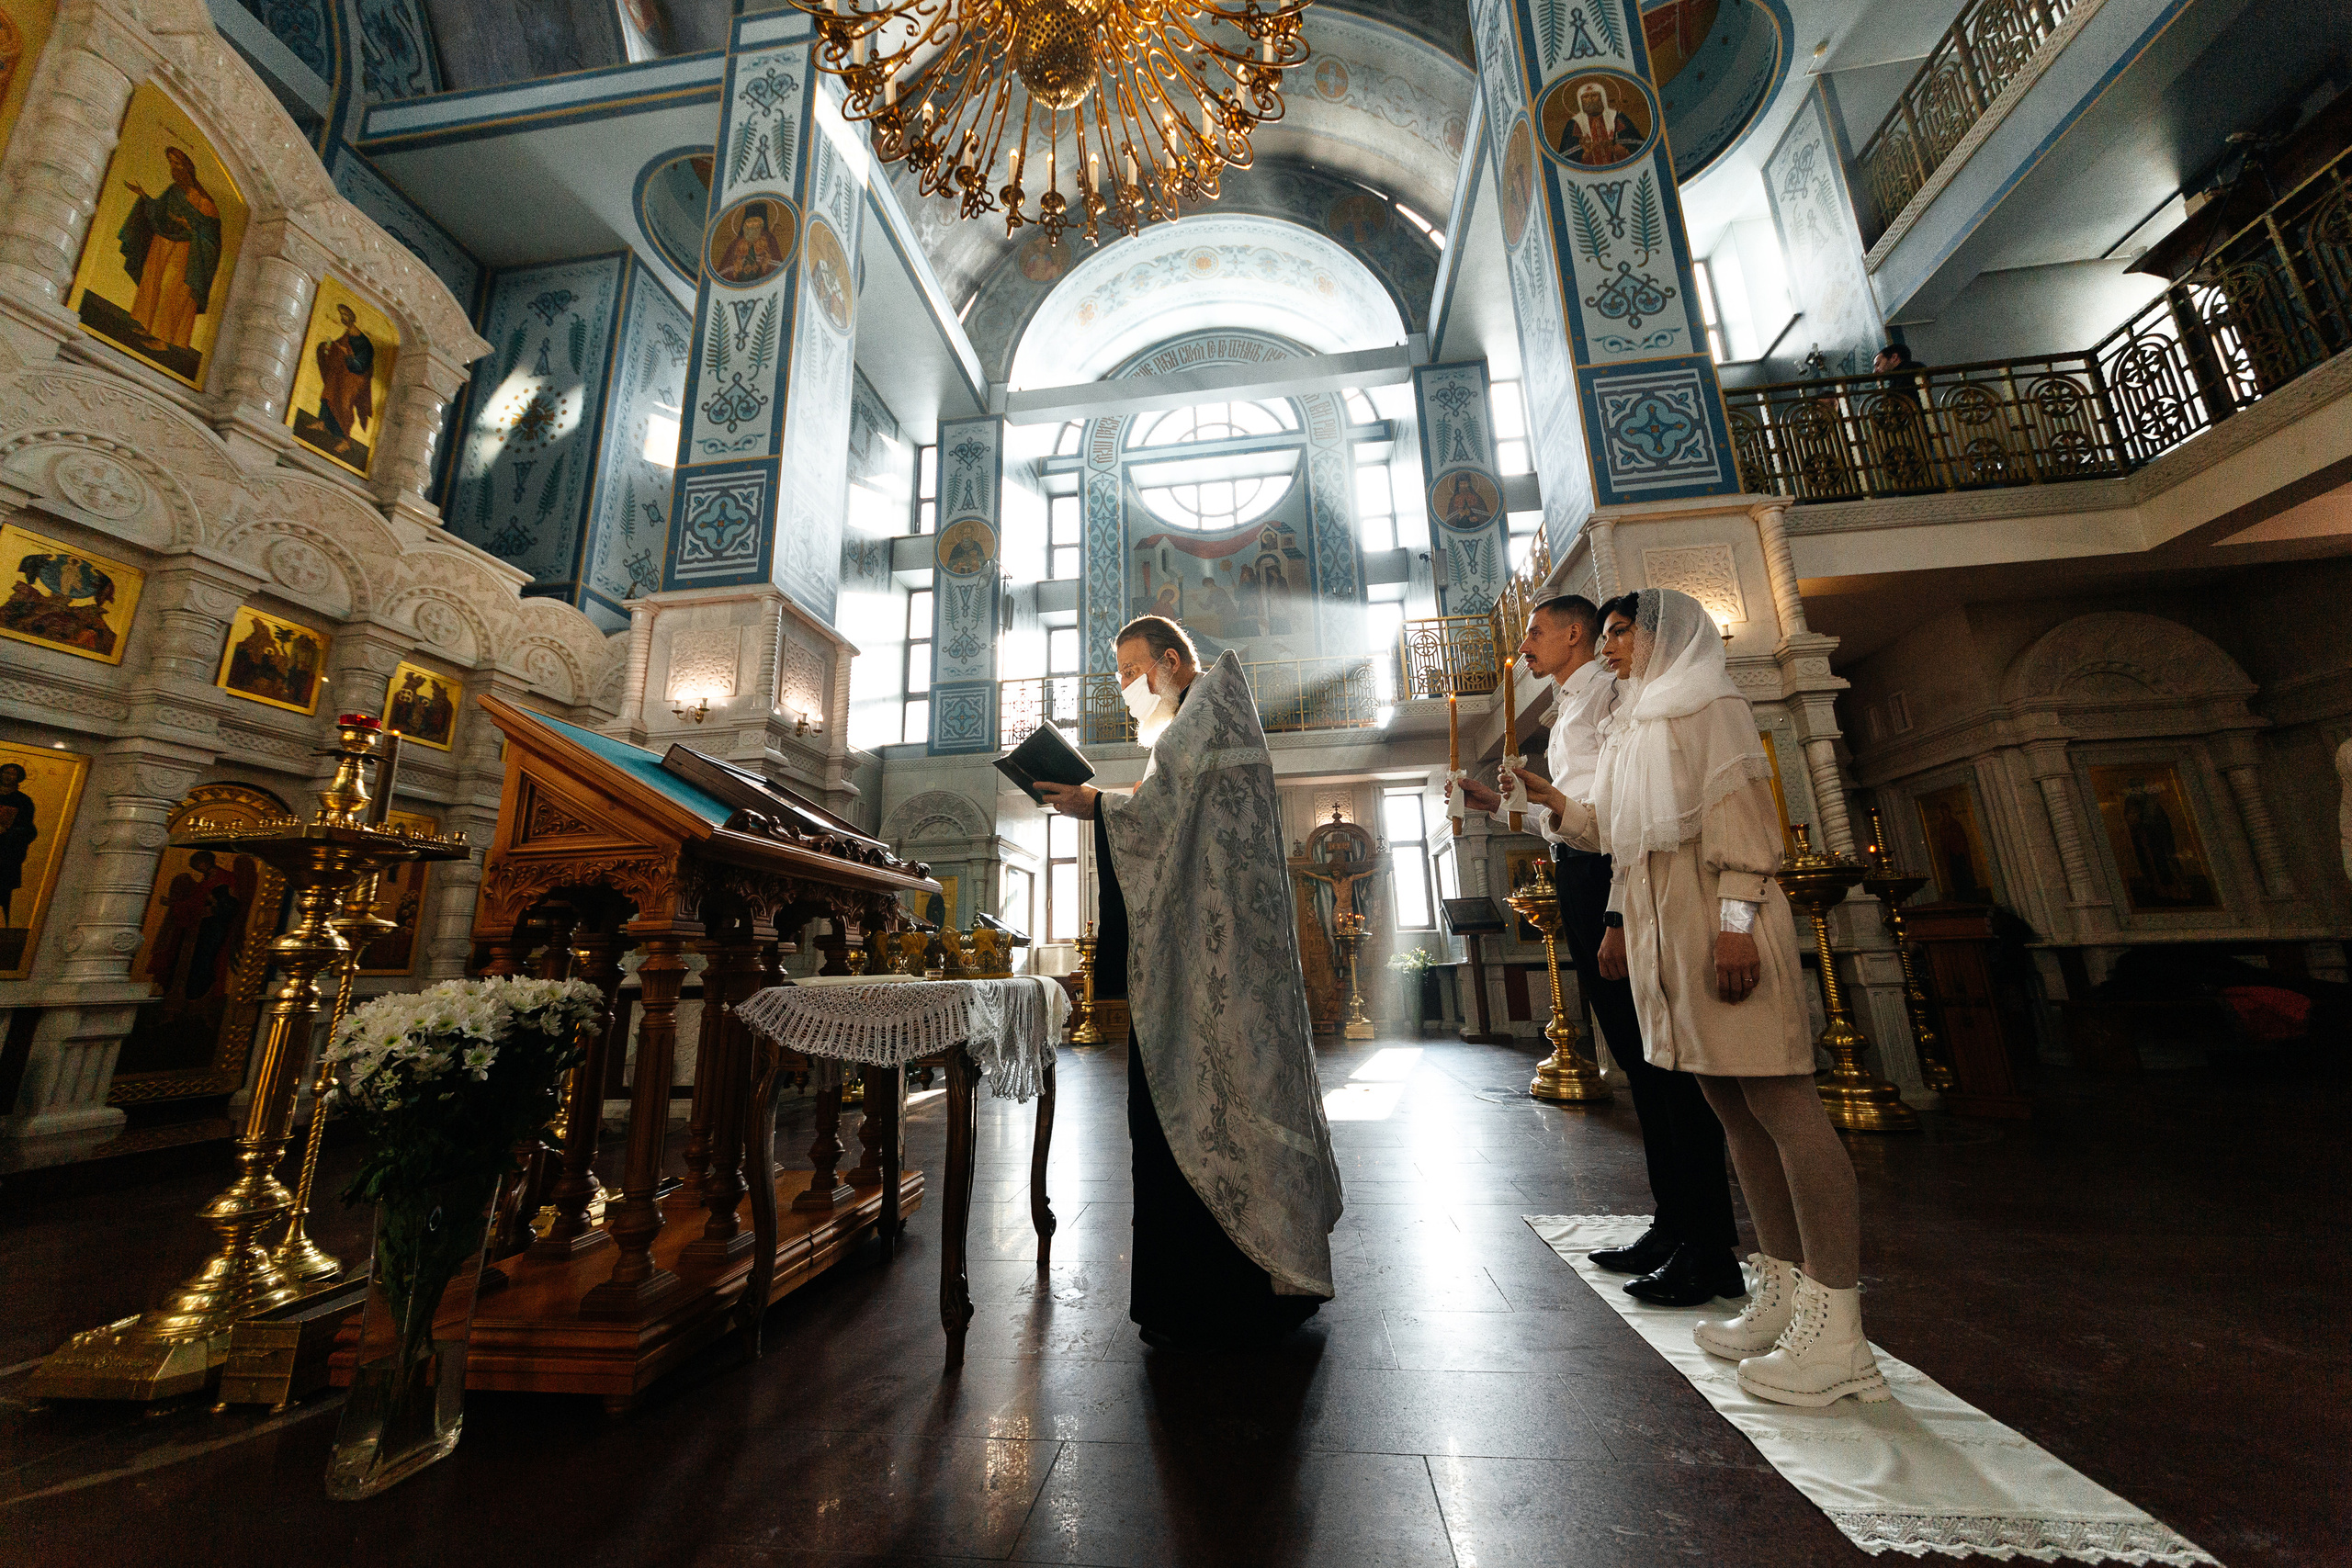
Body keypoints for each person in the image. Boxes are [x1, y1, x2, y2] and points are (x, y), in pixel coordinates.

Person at [1554, 589, 1888, 1407]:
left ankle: (1839, 1326)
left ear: (1662, 633)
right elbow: (1618, 834)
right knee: (1734, 1115)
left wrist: (1737, 922)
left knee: (1786, 1112)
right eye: (1603, 637)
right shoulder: (1635, 725)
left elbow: (1742, 821)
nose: (1608, 649)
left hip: (1719, 926)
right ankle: (1777, 1292)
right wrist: (1550, 807)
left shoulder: (1710, 704)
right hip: (1669, 933)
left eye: (1620, 633)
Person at [1035, 615, 1344, 1349]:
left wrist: (1096, 805)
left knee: (1210, 1101)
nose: (1125, 690)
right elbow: (1170, 818)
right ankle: (1204, 1289)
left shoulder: (1207, 715)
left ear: (1171, 660)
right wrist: (1116, 803)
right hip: (1212, 961)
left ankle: (1227, 1296)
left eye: (1130, 673)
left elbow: (1159, 816)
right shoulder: (1200, 718)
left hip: (1221, 969)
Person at [1453, 595, 1739, 1306]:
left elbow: (1622, 816)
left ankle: (1706, 1238)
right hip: (1586, 867)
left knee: (1659, 1062)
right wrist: (1503, 810)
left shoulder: (1618, 697)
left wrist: (1613, 909)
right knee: (1640, 1063)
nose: (1523, 645)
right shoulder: (1573, 703)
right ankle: (1673, 1223)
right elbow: (1579, 808)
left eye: (1534, 631)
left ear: (1574, 633)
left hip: (1616, 875)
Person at [118, 147, 223, 352]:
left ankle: (164, 339)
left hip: (185, 250)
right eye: (171, 164)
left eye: (177, 164)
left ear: (187, 168)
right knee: (152, 280)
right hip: (162, 241)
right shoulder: (174, 190)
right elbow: (159, 209)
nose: (173, 169)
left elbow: (211, 237)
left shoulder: (205, 202)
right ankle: (147, 327)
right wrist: (144, 197)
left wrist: (190, 227)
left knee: (170, 290)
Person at [312, 303, 376, 454]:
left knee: (344, 403)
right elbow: (336, 347)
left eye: (345, 316)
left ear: (352, 319)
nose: (342, 318)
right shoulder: (346, 335)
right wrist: (327, 346)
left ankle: (346, 440)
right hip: (342, 375)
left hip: (356, 380)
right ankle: (322, 422)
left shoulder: (364, 344)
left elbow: (360, 366)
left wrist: (346, 356)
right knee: (329, 392)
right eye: (341, 315)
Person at [1559, 80, 1640, 166]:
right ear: (1580, 101)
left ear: (1602, 98)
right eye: (1585, 97)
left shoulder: (1617, 117)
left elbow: (1636, 144)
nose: (1590, 99)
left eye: (1594, 95)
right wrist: (1585, 153)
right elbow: (1565, 157)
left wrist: (1620, 149)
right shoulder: (1574, 124)